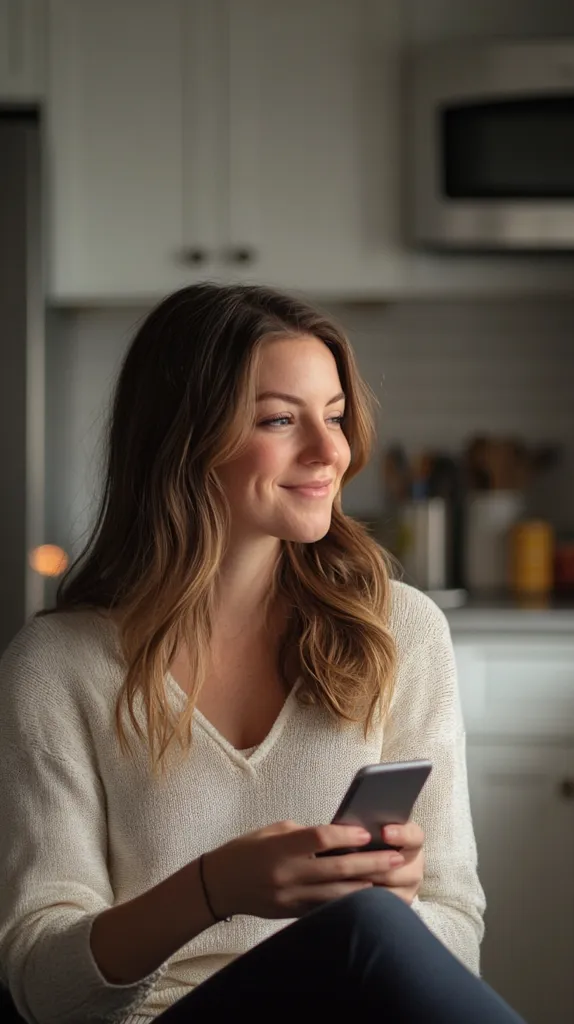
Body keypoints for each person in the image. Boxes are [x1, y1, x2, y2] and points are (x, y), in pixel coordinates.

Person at [0, 283, 525, 1024]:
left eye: (336, 417)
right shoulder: (57, 666)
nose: (330, 452)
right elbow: (45, 990)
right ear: (183, 440)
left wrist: (399, 903)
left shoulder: (400, 632)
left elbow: (457, 931)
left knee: (374, 925)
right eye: (281, 419)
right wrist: (213, 889)